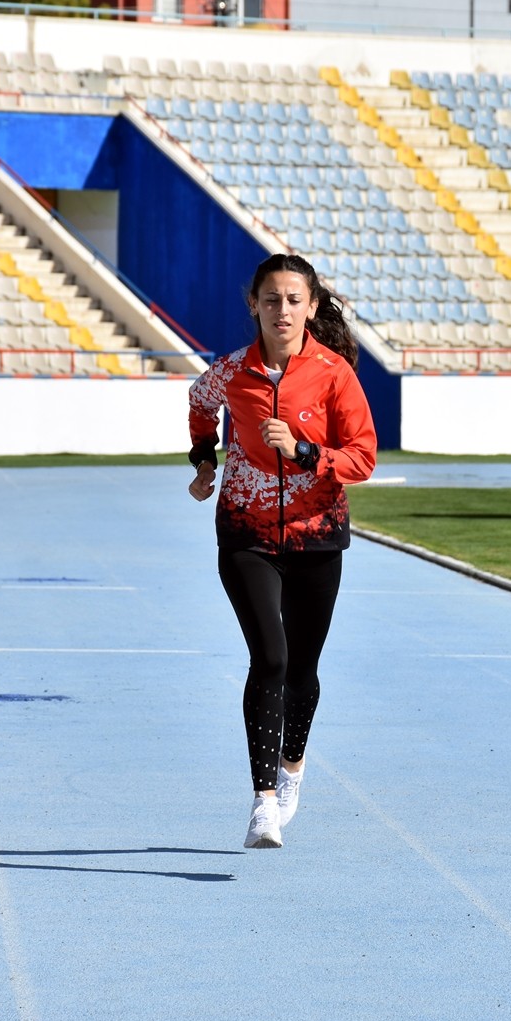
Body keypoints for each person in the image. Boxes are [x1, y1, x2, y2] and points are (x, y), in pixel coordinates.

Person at [187, 253, 377, 849]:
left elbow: (363, 459)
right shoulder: (229, 373)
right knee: (269, 657)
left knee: (302, 668)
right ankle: (262, 801)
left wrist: (302, 452)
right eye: (272, 299)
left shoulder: (334, 375)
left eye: (295, 299)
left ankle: (292, 766)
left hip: (317, 534)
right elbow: (199, 406)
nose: (283, 309)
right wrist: (203, 460)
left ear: (312, 307)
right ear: (255, 306)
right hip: (245, 533)